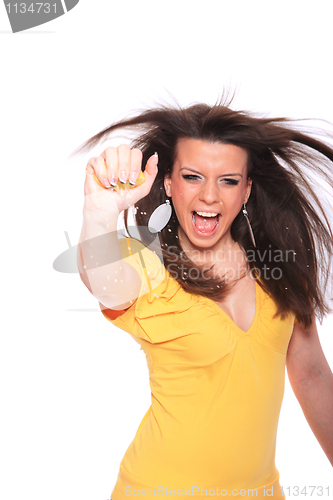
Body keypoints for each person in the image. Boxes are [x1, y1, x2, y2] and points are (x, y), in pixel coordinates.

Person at [75, 98, 333, 500]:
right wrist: (99, 214)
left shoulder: (278, 271)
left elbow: (312, 374)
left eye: (228, 180)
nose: (210, 196)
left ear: (246, 189)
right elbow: (106, 284)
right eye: (193, 177)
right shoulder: (148, 266)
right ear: (168, 184)